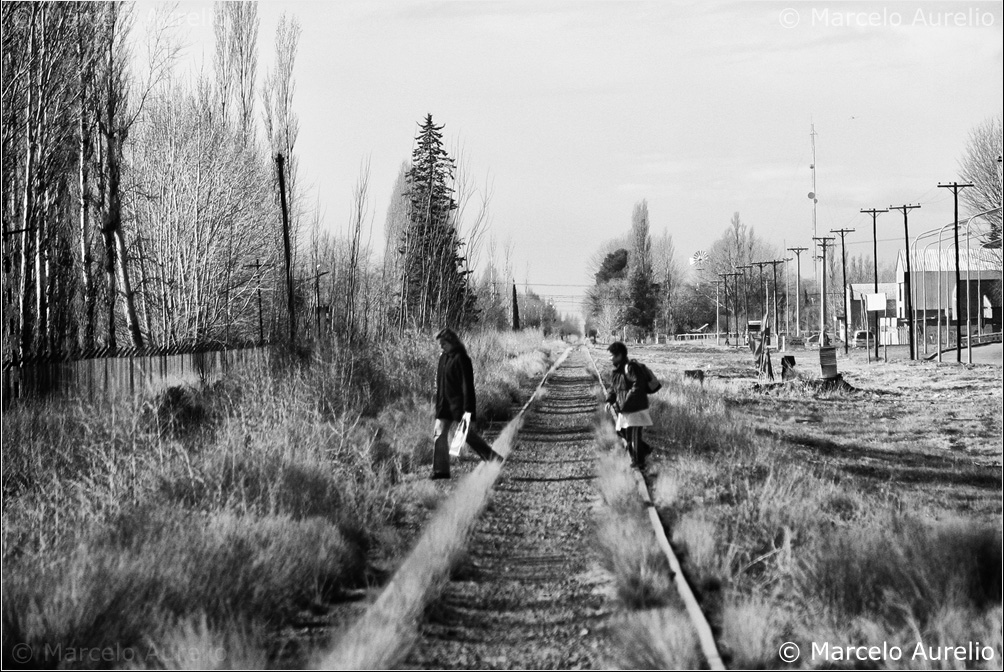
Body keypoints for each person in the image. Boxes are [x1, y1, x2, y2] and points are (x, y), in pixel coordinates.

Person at [432, 328, 504, 479]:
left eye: (444, 343)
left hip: (459, 408)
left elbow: (468, 388)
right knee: (439, 434)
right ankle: (441, 471)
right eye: (440, 344)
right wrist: (438, 405)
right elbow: (440, 385)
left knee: (467, 437)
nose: (441, 346)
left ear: (452, 342)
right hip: (443, 406)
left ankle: (493, 458)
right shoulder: (443, 359)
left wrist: (469, 413)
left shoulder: (462, 359)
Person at [604, 341, 652, 469]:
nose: (610, 359)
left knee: (634, 435)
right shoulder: (617, 372)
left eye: (612, 356)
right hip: (625, 408)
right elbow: (613, 388)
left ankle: (638, 463)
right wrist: (609, 400)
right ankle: (645, 451)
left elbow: (638, 385)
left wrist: (628, 400)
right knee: (621, 431)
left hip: (636, 408)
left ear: (619, 355)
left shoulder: (630, 368)